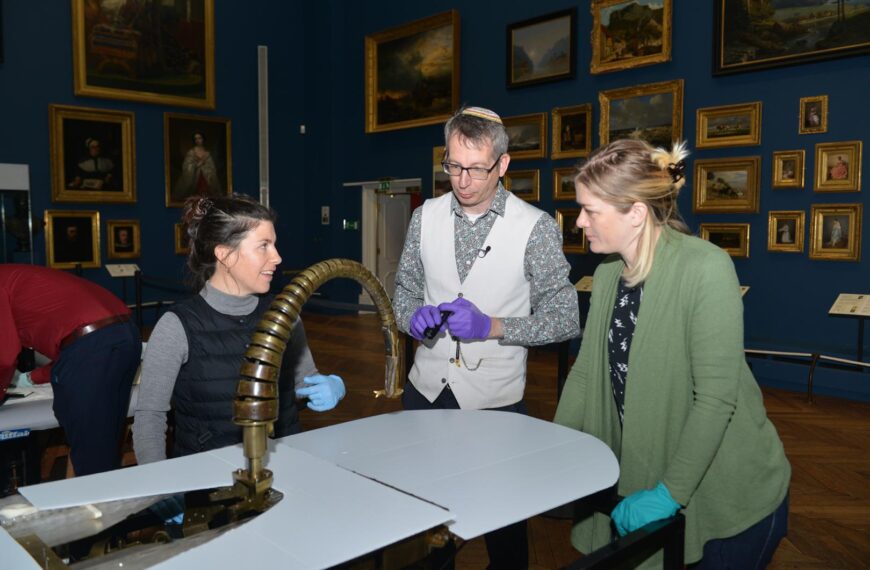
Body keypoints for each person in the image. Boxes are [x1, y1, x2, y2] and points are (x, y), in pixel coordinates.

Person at [553, 139, 790, 569]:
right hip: (648, 470)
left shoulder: (705, 268)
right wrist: (554, 452)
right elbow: (586, 374)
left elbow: (716, 399)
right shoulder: (607, 275)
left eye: (591, 210)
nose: (580, 222)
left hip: (728, 498)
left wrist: (669, 493)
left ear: (636, 214)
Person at [393, 106, 580, 569]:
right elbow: (404, 290)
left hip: (495, 404)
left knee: (504, 532)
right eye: (453, 165)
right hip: (426, 394)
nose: (462, 180)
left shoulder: (535, 227)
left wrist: (494, 326)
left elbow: (565, 318)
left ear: (503, 164)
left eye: (476, 168)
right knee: (424, 524)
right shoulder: (425, 217)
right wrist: (411, 317)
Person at [133, 194, 345, 466]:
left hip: (285, 467)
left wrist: (334, 387)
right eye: (264, 246)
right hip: (209, 480)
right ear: (225, 255)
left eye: (275, 245)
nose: (277, 257)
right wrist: (160, 492)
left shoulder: (285, 315)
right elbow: (149, 419)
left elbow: (304, 384)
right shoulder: (177, 326)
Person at [0, 264, 141, 476]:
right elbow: (70, 350)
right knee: (105, 441)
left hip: (94, 344)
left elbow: (4, 356)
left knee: (91, 453)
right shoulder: (12, 276)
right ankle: (113, 502)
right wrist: (32, 378)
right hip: (124, 333)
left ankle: (99, 505)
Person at [174, 131, 222, 201]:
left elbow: (212, 168)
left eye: (199, 138)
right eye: (196, 139)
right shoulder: (191, 152)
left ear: (203, 139)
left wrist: (206, 168)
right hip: (194, 178)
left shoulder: (207, 153)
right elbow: (186, 166)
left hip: (206, 178)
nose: (198, 140)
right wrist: (196, 165)